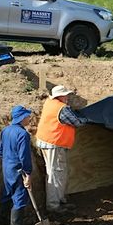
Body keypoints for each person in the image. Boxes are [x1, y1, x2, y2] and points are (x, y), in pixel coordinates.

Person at [35, 85, 88, 213]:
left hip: (47, 141)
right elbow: (78, 123)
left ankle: (60, 200)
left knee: (57, 172)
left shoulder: (50, 102)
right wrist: (87, 117)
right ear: (61, 96)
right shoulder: (61, 109)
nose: (68, 97)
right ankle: (54, 205)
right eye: (66, 95)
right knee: (55, 173)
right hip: (53, 143)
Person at [0, 105, 36, 225]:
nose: (29, 118)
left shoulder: (5, 130)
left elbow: (1, 150)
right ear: (22, 118)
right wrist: (27, 174)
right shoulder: (23, 134)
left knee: (8, 193)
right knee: (19, 196)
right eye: (27, 116)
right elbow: (24, 156)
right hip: (18, 169)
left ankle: (3, 224)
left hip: (6, 167)